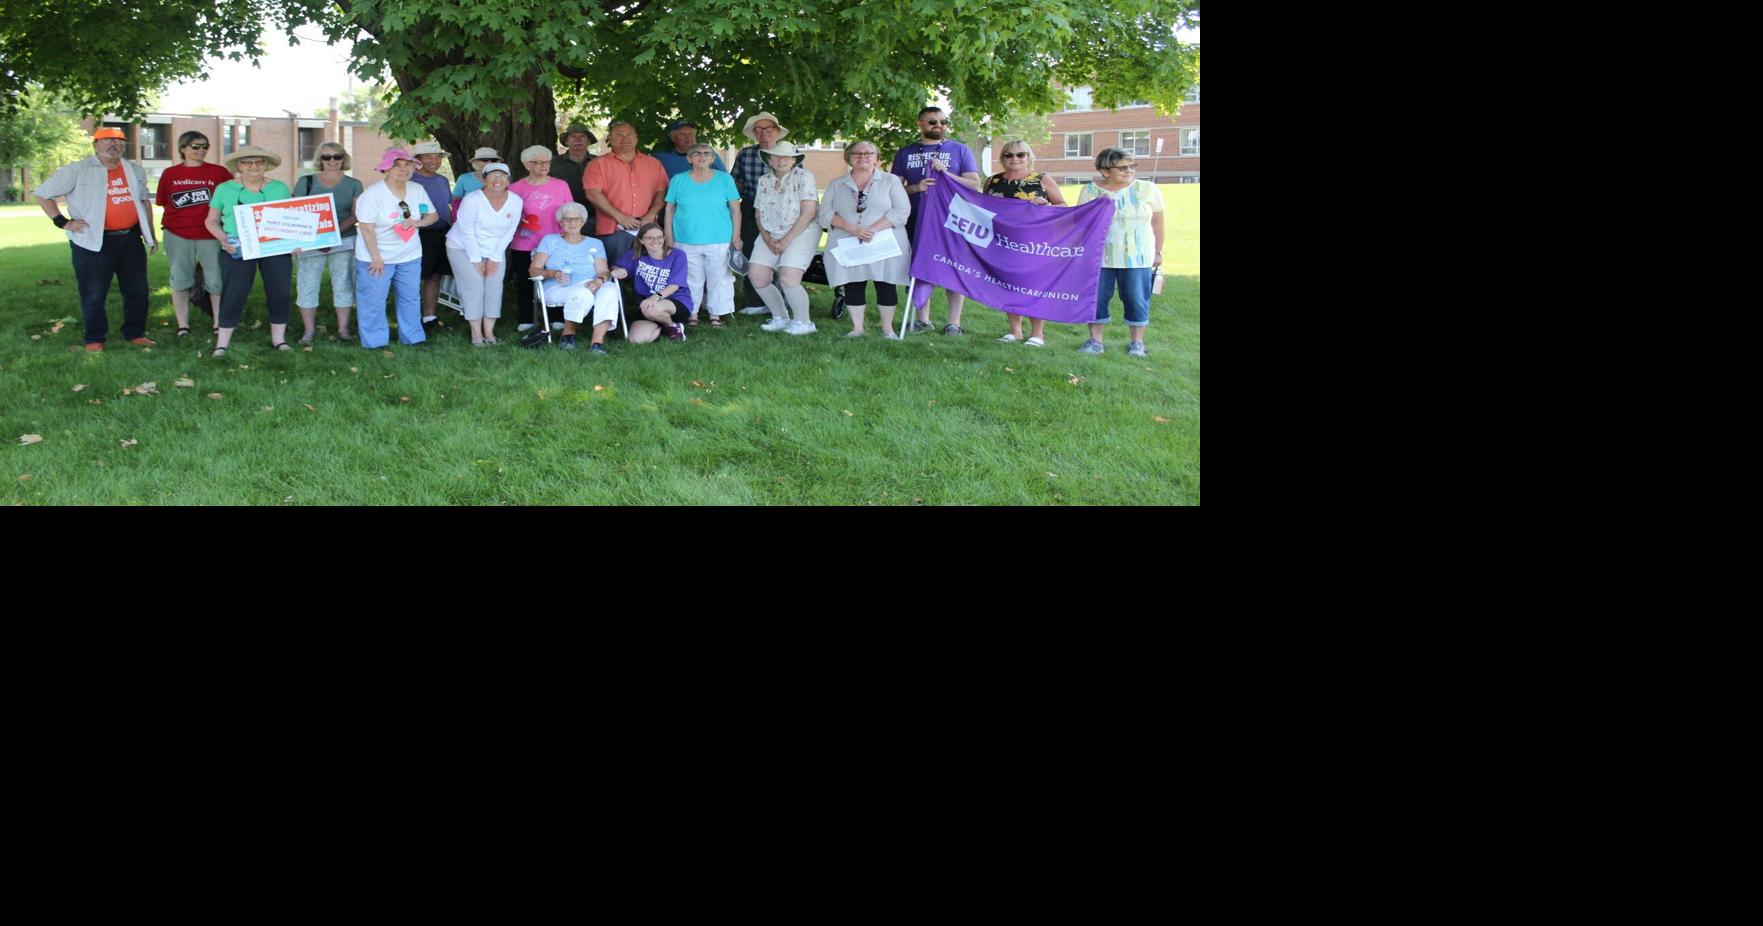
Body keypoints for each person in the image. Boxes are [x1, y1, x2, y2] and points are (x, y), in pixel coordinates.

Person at [34, 127, 159, 351]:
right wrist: (62, 222)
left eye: (119, 141)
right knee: (93, 292)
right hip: (93, 241)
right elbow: (43, 194)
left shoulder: (134, 170)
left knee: (137, 290)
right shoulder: (78, 170)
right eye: (107, 140)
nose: (113, 145)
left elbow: (144, 203)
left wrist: (150, 235)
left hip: (130, 239)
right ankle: (94, 339)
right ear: (95, 145)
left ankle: (135, 333)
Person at [890, 105, 982, 334]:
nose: (939, 125)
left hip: (951, 219)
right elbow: (892, 189)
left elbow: (973, 183)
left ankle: (954, 322)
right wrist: (915, 187)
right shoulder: (905, 153)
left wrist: (946, 174)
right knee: (918, 266)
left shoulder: (959, 150)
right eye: (933, 121)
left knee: (953, 267)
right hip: (914, 218)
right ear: (920, 124)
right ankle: (923, 318)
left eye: (943, 121)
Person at [201, 145, 292, 357]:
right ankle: (222, 344)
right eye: (247, 162)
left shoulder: (279, 188)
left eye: (259, 162)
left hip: (274, 247)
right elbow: (211, 221)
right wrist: (223, 239)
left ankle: (279, 340)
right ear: (239, 166)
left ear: (266, 165)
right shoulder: (224, 189)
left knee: (280, 291)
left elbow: (291, 220)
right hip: (238, 248)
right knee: (234, 293)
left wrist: (294, 242)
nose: (253, 166)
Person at [1076, 148, 1163, 357]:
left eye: (1132, 166)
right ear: (1105, 171)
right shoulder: (1090, 191)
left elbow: (1158, 221)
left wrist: (1158, 251)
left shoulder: (1146, 189)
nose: (1129, 170)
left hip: (1137, 256)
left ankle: (1137, 343)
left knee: (1136, 298)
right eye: (1123, 167)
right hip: (1099, 257)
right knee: (1096, 298)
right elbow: (1081, 222)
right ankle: (1095, 341)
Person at [819, 141, 911, 338]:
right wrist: (852, 228)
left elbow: (902, 210)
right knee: (853, 282)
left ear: (877, 158)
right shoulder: (836, 184)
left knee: (886, 282)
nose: (863, 156)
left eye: (869, 153)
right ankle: (857, 328)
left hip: (885, 242)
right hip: (848, 241)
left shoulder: (891, 181)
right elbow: (825, 213)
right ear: (849, 157)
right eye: (857, 153)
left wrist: (872, 229)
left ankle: (888, 329)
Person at [352, 148, 439, 349]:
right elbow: (366, 227)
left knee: (410, 297)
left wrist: (418, 223)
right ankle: (375, 342)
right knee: (373, 300)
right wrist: (376, 257)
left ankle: (413, 337)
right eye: (397, 165)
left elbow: (432, 215)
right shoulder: (373, 194)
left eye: (408, 164)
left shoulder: (417, 190)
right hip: (376, 256)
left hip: (409, 255)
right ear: (386, 170)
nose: (403, 169)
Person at [984, 140, 1066, 348]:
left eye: (1021, 155)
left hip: (1034, 243)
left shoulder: (1042, 179)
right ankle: (1015, 330)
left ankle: (1037, 334)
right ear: (1002, 158)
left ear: (1029, 156)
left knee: (1034, 287)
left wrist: (1044, 207)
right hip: (1003, 242)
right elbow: (983, 208)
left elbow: (1062, 205)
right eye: (1009, 155)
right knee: (1008, 284)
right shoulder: (992, 181)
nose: (1015, 159)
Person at [154, 130, 230, 339]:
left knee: (215, 280)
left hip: (211, 234)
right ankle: (183, 325)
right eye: (195, 146)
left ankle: (218, 323)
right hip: (178, 233)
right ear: (183, 148)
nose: (201, 150)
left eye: (205, 146)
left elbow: (230, 201)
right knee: (180, 279)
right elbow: (162, 201)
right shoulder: (170, 174)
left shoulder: (219, 173)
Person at [289, 141, 364, 342]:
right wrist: (318, 238)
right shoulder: (305, 182)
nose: (332, 161)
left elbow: (356, 215)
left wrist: (331, 234)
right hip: (310, 242)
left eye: (337, 156)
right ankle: (309, 331)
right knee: (307, 285)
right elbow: (294, 212)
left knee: (343, 285)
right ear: (320, 160)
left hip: (344, 240)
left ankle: (343, 329)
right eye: (326, 157)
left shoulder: (354, 184)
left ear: (343, 159)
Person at [664, 142, 742, 328]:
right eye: (697, 153)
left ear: (713, 159)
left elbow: (735, 210)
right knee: (691, 279)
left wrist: (736, 236)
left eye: (707, 153)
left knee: (719, 278)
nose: (702, 156)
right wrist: (669, 236)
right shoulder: (678, 180)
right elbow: (669, 209)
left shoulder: (724, 179)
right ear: (689, 158)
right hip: (685, 238)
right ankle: (692, 313)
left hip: (719, 237)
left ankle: (716, 314)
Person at [444, 161, 522, 345]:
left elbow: (509, 232)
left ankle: (489, 332)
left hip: (495, 248)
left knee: (494, 287)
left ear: (508, 180)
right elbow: (467, 232)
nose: (497, 180)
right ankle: (476, 334)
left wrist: (494, 258)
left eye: (502, 175)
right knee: (474, 286)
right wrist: (476, 260)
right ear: (484, 180)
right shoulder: (472, 199)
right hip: (463, 247)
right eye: (492, 176)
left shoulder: (515, 201)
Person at [530, 203, 621, 354]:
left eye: (576, 219)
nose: (572, 223)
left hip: (591, 284)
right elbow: (534, 270)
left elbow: (604, 271)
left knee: (610, 289)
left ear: (583, 222)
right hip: (558, 287)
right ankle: (568, 333)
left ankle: (597, 343)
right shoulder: (550, 240)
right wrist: (553, 273)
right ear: (560, 222)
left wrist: (598, 281)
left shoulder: (595, 243)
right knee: (584, 292)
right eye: (567, 219)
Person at [748, 140, 818, 335]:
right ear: (769, 159)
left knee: (789, 278)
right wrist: (768, 238)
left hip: (801, 231)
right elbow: (758, 213)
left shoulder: (804, 177)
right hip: (770, 232)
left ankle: (804, 323)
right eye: (776, 156)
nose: (781, 160)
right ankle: (781, 317)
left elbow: (809, 212)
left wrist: (786, 240)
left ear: (794, 160)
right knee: (757, 276)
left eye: (786, 157)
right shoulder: (764, 180)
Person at [581, 122, 669, 267]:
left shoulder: (654, 163)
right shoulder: (597, 164)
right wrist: (620, 217)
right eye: (619, 135)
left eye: (629, 135)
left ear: (636, 137)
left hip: (649, 230)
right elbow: (593, 194)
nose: (625, 138)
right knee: (616, 274)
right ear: (610, 138)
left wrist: (650, 215)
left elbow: (662, 191)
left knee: (650, 274)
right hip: (613, 231)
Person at [506, 145, 573, 333]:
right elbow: (507, 215)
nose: (545, 166)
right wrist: (520, 221)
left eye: (547, 162)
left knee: (556, 278)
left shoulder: (561, 185)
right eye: (539, 162)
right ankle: (526, 317)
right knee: (526, 279)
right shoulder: (515, 188)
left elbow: (569, 211)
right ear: (527, 164)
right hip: (525, 243)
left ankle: (557, 317)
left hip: (555, 241)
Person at [732, 112, 786, 315]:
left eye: (768, 129)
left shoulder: (790, 153)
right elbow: (735, 184)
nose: (764, 133)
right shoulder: (745, 154)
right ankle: (755, 301)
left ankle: (780, 300)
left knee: (779, 253)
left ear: (777, 132)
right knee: (750, 254)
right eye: (759, 129)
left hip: (783, 212)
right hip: (750, 209)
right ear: (754, 133)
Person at [610, 223, 690, 344]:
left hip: (675, 301)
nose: (655, 241)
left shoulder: (678, 255)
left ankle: (672, 325)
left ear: (664, 238)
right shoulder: (636, 254)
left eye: (659, 237)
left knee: (652, 309)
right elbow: (617, 267)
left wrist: (655, 297)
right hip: (646, 304)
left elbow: (675, 285)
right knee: (636, 340)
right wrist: (621, 271)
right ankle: (664, 326)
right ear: (641, 240)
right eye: (650, 238)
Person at [407, 142, 454, 329]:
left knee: (434, 276)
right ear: (418, 160)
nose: (434, 161)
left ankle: (429, 318)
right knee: (413, 276)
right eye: (428, 157)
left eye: (437, 157)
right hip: (418, 233)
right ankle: (410, 318)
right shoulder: (411, 181)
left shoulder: (442, 180)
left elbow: (446, 206)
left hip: (441, 233)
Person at [547, 124, 598, 224]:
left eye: (582, 136)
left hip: (595, 218)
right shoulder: (553, 163)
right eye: (573, 136)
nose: (577, 140)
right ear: (566, 141)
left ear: (588, 141)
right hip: (563, 218)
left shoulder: (599, 162)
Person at [652, 120, 726, 178]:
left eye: (691, 134)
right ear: (673, 138)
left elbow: (726, 180)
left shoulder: (709, 156)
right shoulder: (661, 158)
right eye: (683, 134)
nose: (688, 138)